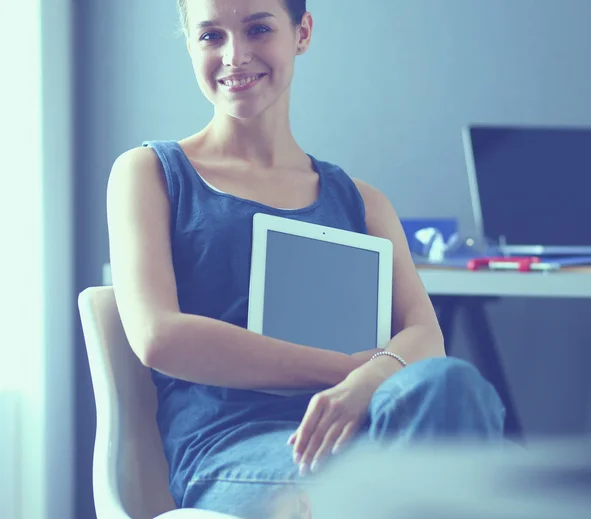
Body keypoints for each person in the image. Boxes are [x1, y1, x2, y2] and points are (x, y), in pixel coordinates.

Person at [106, 1, 505, 517]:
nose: (235, 55)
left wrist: (365, 386)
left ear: (302, 33)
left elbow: (426, 336)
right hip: (233, 452)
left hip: (374, 435)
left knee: (450, 385)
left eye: (257, 29)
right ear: (190, 45)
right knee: (436, 482)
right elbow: (159, 336)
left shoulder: (361, 201)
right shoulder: (152, 174)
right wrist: (345, 373)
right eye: (210, 37)